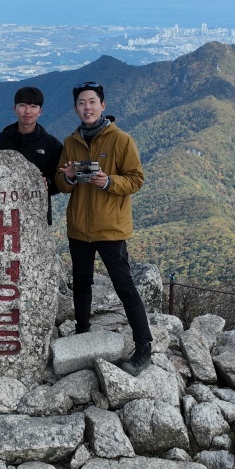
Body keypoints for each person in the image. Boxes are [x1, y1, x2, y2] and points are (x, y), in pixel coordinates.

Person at [53, 80, 153, 374]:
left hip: (110, 229)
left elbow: (136, 179)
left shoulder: (121, 140)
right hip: (79, 228)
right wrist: (69, 176)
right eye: (82, 103)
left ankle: (144, 345)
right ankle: (82, 334)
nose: (87, 107)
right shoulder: (71, 142)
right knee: (81, 284)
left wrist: (109, 182)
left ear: (103, 106)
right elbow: (61, 185)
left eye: (92, 101)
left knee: (125, 287)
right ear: (75, 108)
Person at [0, 85, 63, 224]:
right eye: (22, 105)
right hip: (3, 215)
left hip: (37, 216)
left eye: (33, 106)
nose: (27, 111)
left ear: (40, 111)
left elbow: (59, 179)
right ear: (14, 108)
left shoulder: (52, 145)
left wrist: (47, 183)